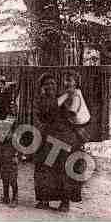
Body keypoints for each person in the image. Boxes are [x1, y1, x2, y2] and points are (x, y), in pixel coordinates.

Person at [33, 72, 86, 212]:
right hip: (49, 140)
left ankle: (65, 202)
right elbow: (46, 112)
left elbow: (72, 116)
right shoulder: (41, 100)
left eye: (53, 83)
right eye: (47, 84)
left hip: (64, 139)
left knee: (63, 170)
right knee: (46, 170)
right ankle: (45, 200)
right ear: (42, 87)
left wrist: (78, 135)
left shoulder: (63, 99)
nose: (50, 86)